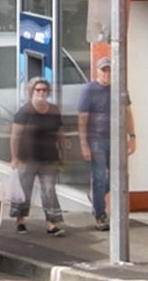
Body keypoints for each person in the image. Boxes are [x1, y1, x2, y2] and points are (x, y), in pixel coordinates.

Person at [75, 51, 138, 231]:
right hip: (96, 140)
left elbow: (128, 112)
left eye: (110, 71)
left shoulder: (120, 88)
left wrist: (132, 136)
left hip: (116, 139)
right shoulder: (89, 90)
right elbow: (82, 119)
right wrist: (84, 144)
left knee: (119, 177)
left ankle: (97, 196)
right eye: (104, 71)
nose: (107, 74)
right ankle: (100, 214)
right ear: (97, 72)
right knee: (100, 176)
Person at [11, 78, 66, 235]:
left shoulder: (54, 111)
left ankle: (52, 224)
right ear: (32, 92)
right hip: (27, 159)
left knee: (49, 190)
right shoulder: (24, 112)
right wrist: (14, 158)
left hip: (49, 158)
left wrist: (64, 154)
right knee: (25, 190)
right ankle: (20, 221)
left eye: (44, 90)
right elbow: (15, 136)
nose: (41, 93)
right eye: (38, 90)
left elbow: (60, 134)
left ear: (48, 93)